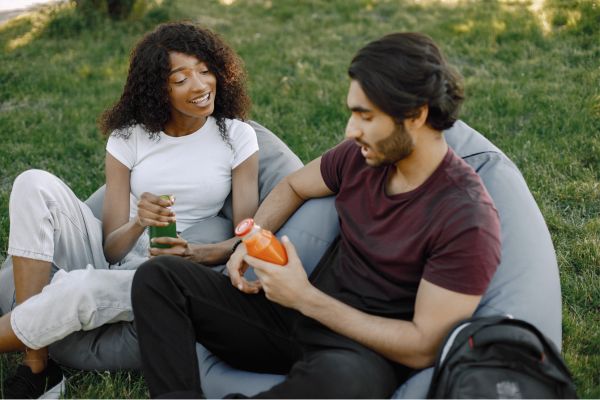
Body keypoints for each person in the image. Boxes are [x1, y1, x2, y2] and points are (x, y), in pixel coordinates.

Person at [131, 31, 503, 398]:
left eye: (365, 117)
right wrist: (249, 241)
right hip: (292, 321)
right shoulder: (359, 157)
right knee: (159, 278)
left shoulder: (466, 219)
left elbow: (423, 346)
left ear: (416, 115)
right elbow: (293, 185)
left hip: (362, 352)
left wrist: (305, 297)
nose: (350, 130)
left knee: (341, 385)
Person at [0, 21, 258, 399]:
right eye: (181, 78)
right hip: (120, 253)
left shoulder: (236, 136)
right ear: (158, 88)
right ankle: (38, 364)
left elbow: (245, 235)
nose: (201, 86)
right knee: (31, 182)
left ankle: (36, 366)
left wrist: (199, 253)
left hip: (164, 273)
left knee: (79, 288)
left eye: (205, 71)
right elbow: (111, 250)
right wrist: (140, 220)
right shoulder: (128, 137)